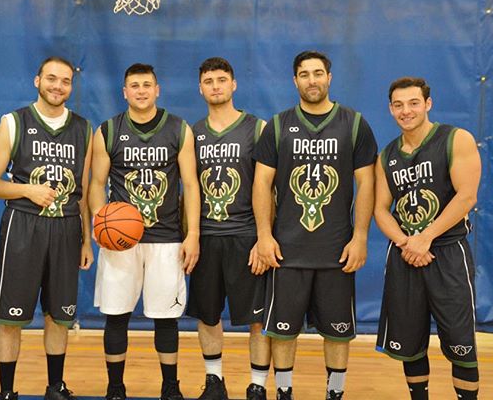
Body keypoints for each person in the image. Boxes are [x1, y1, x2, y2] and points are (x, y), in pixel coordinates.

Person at [253, 50, 378, 400]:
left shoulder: (353, 124)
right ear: (295, 81)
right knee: (282, 331)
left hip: (337, 250)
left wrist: (361, 236)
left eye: (318, 73)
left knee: (338, 332)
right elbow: (262, 183)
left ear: (329, 77)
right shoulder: (278, 125)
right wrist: (264, 235)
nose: (312, 80)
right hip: (286, 250)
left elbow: (366, 183)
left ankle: (334, 393)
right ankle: (284, 392)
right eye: (305, 74)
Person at [88, 63, 200, 400]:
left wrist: (192, 233)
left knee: (166, 319)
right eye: (134, 85)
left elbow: (191, 186)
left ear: (157, 90)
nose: (140, 91)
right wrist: (100, 220)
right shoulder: (108, 130)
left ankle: (170, 387)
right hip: (121, 241)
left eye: (146, 85)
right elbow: (96, 184)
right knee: (116, 315)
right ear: (124, 92)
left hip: (166, 239)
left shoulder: (179, 129)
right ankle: (115, 387)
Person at [0, 57, 93, 400]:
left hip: (66, 228)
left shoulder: (84, 129)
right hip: (23, 225)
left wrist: (87, 240)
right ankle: (6, 391)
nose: (57, 86)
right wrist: (26, 190)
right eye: (51, 79)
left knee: (59, 316)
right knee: (11, 318)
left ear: (70, 87)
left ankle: (55, 386)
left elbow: (86, 190)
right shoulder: (14, 122)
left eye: (64, 81)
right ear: (37, 81)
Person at [374, 77, 481, 400]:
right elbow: (380, 209)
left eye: (413, 103)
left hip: (447, 253)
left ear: (428, 104)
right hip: (407, 256)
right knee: (410, 343)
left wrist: (426, 237)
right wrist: (408, 243)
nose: (406, 111)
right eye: (398, 105)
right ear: (391, 109)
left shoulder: (456, 139)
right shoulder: (387, 155)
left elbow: (466, 197)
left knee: (461, 344)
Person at [187, 57, 271, 400]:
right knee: (207, 316)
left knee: (256, 319)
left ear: (234, 84)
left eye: (222, 80)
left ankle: (257, 385)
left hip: (247, 236)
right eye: (209, 81)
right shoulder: (192, 133)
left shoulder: (258, 128)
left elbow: (270, 189)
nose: (216, 86)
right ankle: (214, 381)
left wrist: (265, 237)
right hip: (207, 237)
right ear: (201, 88)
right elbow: (188, 189)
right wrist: (189, 236)